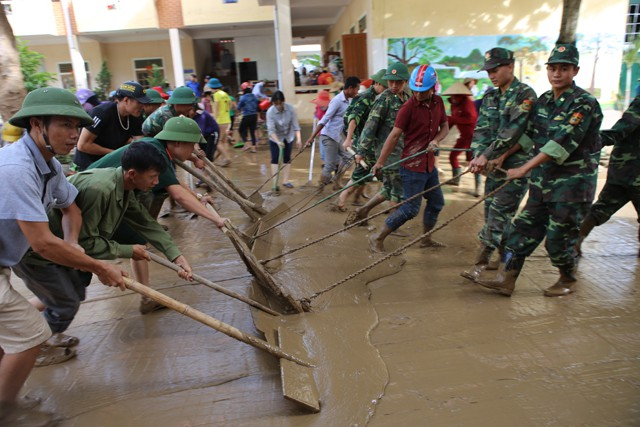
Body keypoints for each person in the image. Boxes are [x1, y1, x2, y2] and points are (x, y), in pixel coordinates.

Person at [0, 88, 125, 425]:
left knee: (8, 338)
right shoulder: (16, 167)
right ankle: (6, 411)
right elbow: (41, 243)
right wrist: (99, 267)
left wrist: (72, 242)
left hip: (3, 264)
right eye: (66, 126)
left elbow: (71, 207)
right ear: (37, 124)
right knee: (31, 336)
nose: (75, 135)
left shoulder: (49, 164)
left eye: (77, 126)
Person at [14, 141, 196, 361]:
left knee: (74, 291)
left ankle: (35, 328)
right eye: (153, 177)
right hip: (38, 252)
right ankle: (33, 346)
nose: (156, 182)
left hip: (63, 249)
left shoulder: (124, 186)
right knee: (65, 303)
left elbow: (145, 223)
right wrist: (129, 250)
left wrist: (177, 256)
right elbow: (87, 242)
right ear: (132, 173)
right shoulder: (100, 189)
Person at [476, 43, 603, 297]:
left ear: (575, 71)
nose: (557, 74)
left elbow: (559, 144)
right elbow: (530, 136)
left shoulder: (584, 103)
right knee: (518, 233)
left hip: (571, 187)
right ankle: (506, 279)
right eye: (553, 68)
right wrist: (502, 156)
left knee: (556, 242)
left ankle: (567, 277)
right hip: (542, 184)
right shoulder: (544, 100)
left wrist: (523, 168)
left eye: (564, 69)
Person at [88, 117, 226, 312]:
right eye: (191, 146)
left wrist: (197, 196)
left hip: (118, 196)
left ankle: (145, 297)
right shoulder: (156, 153)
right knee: (72, 279)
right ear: (177, 142)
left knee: (139, 239)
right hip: (98, 200)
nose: (193, 150)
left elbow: (174, 184)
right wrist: (216, 219)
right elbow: (178, 195)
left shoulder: (159, 150)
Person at [461, 48, 537, 282]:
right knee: (491, 212)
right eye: (488, 71)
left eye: (495, 70)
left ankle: (479, 264)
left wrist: (493, 155)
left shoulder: (525, 94)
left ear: (510, 66)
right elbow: (481, 130)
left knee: (498, 215)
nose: (491, 75)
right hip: (492, 167)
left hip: (516, 168)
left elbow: (514, 131)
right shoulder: (491, 97)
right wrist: (478, 156)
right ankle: (502, 258)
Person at [368, 64, 449, 253]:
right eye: (415, 90)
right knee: (411, 209)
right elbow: (394, 136)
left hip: (429, 165)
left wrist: (436, 140)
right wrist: (380, 162)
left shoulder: (438, 102)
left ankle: (426, 239)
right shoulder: (407, 108)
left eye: (423, 91)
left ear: (433, 88)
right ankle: (377, 237)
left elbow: (444, 126)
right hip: (412, 166)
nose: (418, 95)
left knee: (437, 202)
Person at [345, 64, 411, 226]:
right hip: (388, 154)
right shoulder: (384, 100)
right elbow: (370, 126)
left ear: (405, 81)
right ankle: (392, 227)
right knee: (398, 192)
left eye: (398, 82)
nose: (394, 86)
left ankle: (363, 211)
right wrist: (361, 150)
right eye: (391, 82)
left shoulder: (407, 98)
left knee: (388, 189)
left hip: (402, 152)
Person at [575, 95, 640, 257]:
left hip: (623, 167)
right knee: (603, 206)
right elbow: (627, 123)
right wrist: (602, 139)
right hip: (631, 166)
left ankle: (575, 242)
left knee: (602, 206)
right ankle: (574, 243)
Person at [335, 68, 388, 210]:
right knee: (362, 172)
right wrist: (349, 139)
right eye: (384, 86)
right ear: (376, 84)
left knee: (371, 171)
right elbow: (353, 119)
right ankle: (341, 199)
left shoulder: (382, 98)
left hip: (375, 141)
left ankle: (355, 199)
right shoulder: (365, 97)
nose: (386, 89)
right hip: (363, 141)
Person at [72, 81, 151, 171]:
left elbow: (140, 143)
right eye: (139, 102)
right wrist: (116, 154)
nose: (143, 107)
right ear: (126, 100)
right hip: (88, 166)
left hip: (112, 165)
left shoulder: (135, 115)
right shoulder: (102, 113)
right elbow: (82, 145)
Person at [305, 76, 361, 187]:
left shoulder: (349, 101)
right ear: (350, 88)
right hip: (329, 135)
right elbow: (324, 119)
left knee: (349, 157)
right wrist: (311, 137)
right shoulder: (337, 101)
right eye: (356, 89)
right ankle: (320, 187)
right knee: (330, 165)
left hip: (338, 136)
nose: (357, 92)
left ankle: (336, 180)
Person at [442, 81, 477, 186]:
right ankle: (456, 179)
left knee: (475, 161)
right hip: (464, 137)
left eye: (455, 96)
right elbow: (451, 122)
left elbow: (471, 119)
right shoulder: (453, 105)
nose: (452, 97)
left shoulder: (467, 103)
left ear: (460, 95)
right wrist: (438, 134)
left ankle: (478, 186)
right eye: (451, 95)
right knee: (453, 156)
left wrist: (453, 118)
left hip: (473, 137)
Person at [266, 91, 302, 189]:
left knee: (287, 158)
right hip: (275, 138)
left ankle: (285, 181)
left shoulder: (291, 109)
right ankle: (275, 183)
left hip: (288, 136)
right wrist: (278, 142)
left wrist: (298, 139)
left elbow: (296, 126)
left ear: (283, 101)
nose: (278, 106)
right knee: (275, 159)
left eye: (280, 103)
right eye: (275, 104)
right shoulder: (270, 112)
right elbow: (271, 130)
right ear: (273, 103)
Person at [207, 78, 233, 166]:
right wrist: (226, 112)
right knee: (224, 141)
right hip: (227, 120)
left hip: (220, 121)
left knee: (218, 142)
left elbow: (216, 108)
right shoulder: (225, 94)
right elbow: (231, 104)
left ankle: (227, 158)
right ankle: (225, 159)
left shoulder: (216, 95)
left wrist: (214, 117)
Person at [237, 87, 259, 153]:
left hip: (247, 116)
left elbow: (239, 107)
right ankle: (254, 148)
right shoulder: (254, 97)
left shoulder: (243, 97)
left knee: (241, 130)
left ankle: (246, 144)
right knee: (252, 132)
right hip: (254, 116)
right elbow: (257, 105)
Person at [311, 89, 330, 162]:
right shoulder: (318, 107)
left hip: (331, 133)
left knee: (332, 154)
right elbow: (317, 115)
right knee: (323, 154)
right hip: (321, 132)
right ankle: (326, 166)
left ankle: (334, 168)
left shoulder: (332, 107)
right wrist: (315, 114)